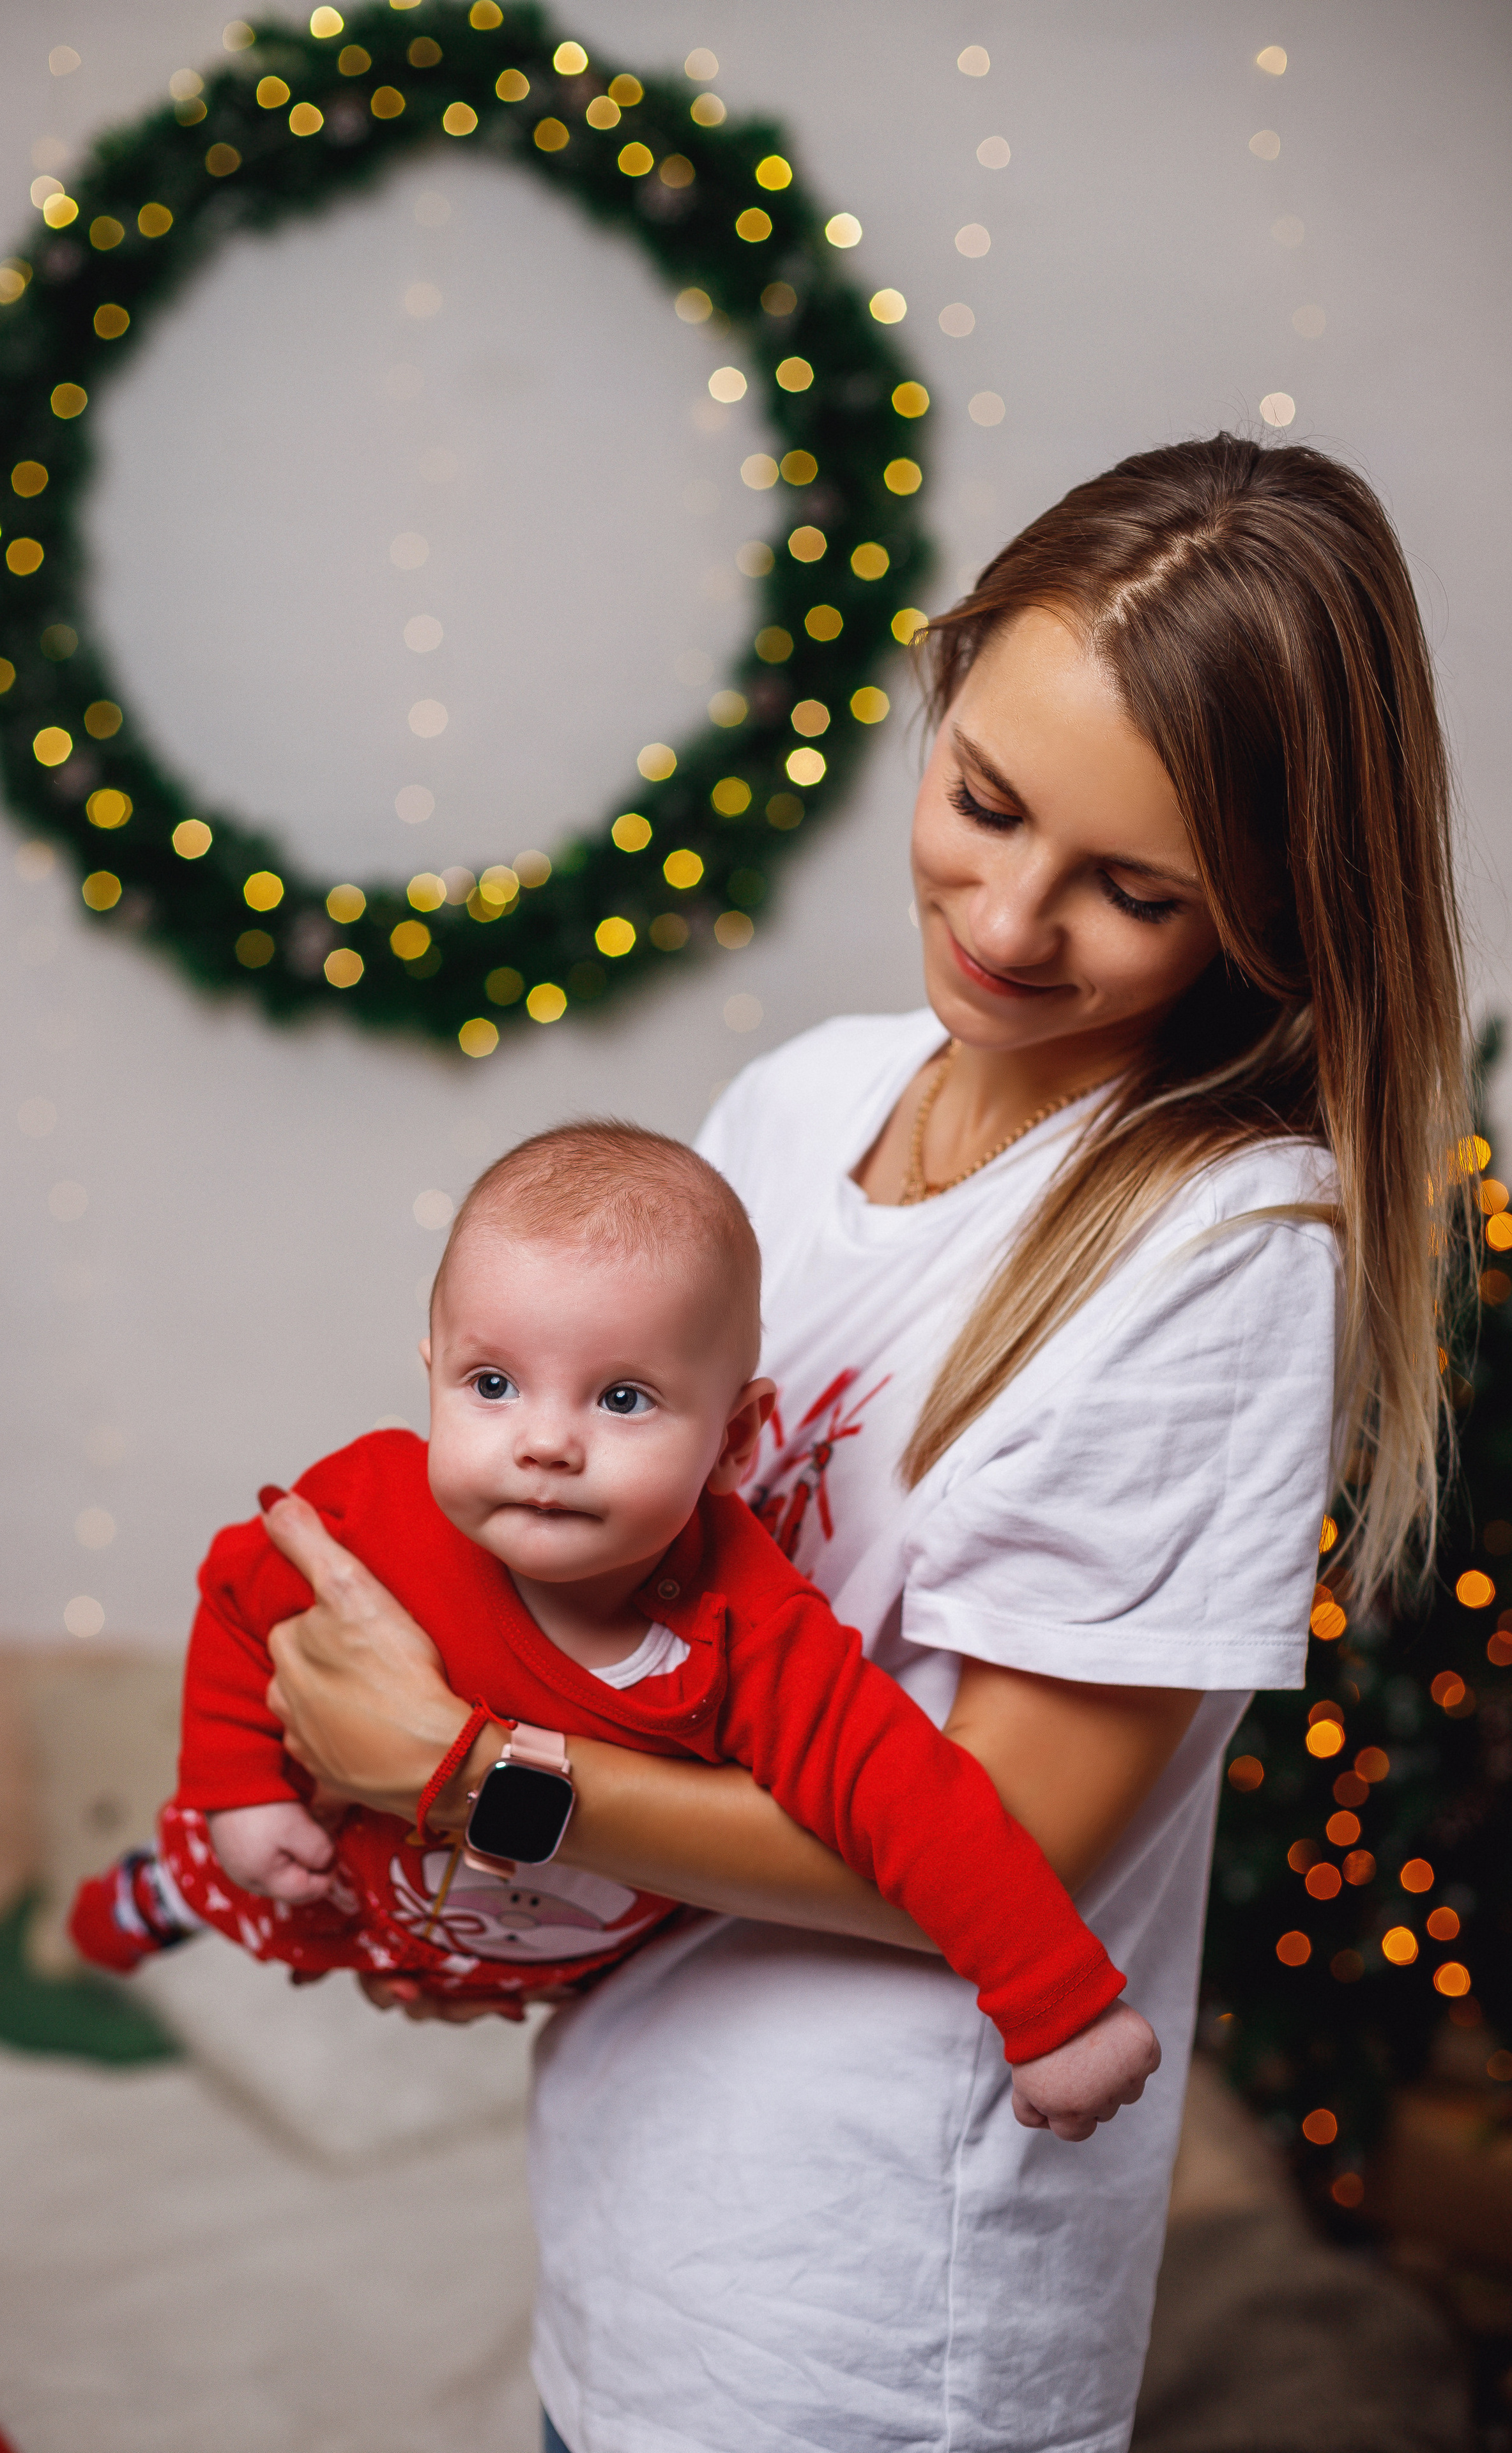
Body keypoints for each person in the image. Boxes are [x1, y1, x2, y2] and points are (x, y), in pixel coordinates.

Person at [257, 435, 1472, 2453]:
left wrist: (482, 1787)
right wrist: (436, 1881)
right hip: (643, 2236)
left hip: (875, 2318)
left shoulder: (1227, 1245)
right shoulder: (802, 1108)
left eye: (1136, 890)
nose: (1007, 916)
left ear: (1271, 908)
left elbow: (1001, 1849)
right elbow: (668, 1637)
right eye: (984, 801)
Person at [71, 1124, 1156, 2123]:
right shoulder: (369, 1511)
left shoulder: (752, 1631)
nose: (545, 1442)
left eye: (622, 1399)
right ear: (432, 1383)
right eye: (491, 1384)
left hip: (536, 1952)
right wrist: (238, 1792)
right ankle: (160, 1889)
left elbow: (918, 1807)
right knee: (234, 1865)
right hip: (331, 1861)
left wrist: (1058, 2008)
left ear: (737, 1442)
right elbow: (235, 1598)